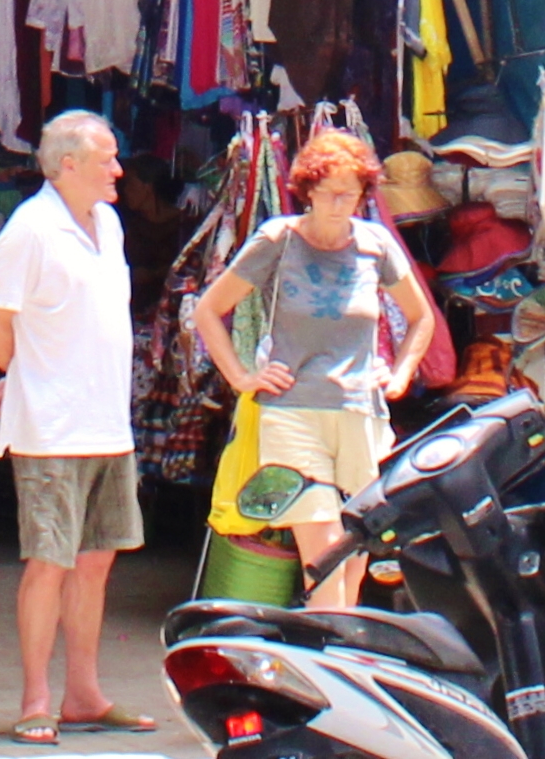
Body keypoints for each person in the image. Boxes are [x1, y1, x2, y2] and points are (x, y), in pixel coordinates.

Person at [180, 128, 428, 610]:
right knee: (324, 545)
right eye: (331, 192)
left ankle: (332, 645)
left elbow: (420, 319)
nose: (341, 204)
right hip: (291, 411)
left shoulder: (375, 244)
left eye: (352, 194)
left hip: (359, 413)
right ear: (308, 190)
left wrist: (398, 375)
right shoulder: (279, 239)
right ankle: (331, 654)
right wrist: (241, 378)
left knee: (357, 549)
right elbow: (209, 310)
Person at [0, 108, 148, 743]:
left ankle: (84, 693)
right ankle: (35, 699)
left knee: (95, 562)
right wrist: (29, 382)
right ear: (67, 164)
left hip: (108, 423)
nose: (118, 170)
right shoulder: (30, 231)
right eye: (107, 159)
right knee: (48, 561)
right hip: (52, 429)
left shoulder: (107, 222)